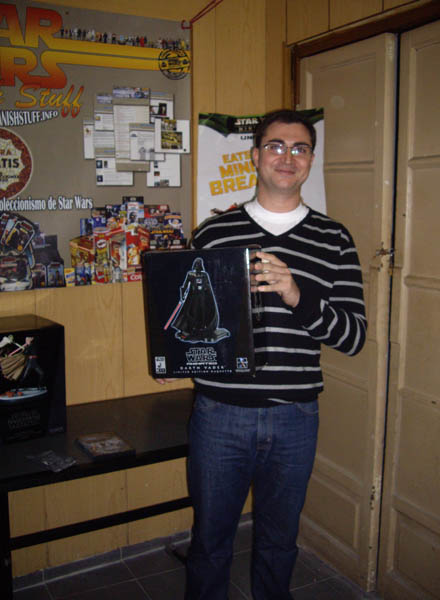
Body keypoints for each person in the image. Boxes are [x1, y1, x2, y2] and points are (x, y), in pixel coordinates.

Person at [158, 109, 367, 599]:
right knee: (210, 542)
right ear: (255, 156)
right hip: (219, 415)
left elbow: (353, 337)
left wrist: (296, 295)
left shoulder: (334, 239)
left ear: (311, 159)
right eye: (275, 146)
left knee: (279, 543)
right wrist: (176, 353)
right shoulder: (214, 234)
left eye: (299, 148)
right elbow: (194, 317)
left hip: (295, 417)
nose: (287, 157)